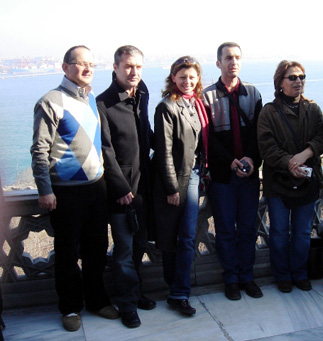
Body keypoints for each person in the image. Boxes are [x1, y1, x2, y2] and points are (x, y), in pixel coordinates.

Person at [30, 46, 119, 332]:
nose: (87, 69)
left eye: (91, 64)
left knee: (96, 248)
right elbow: (39, 150)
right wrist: (45, 190)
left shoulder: (90, 98)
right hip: (65, 192)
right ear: (65, 67)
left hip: (96, 188)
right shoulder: (50, 101)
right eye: (80, 64)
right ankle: (70, 307)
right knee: (67, 252)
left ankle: (96, 301)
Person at [96, 45, 156, 328]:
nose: (134, 72)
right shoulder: (103, 103)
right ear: (116, 68)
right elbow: (105, 150)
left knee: (140, 245)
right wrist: (120, 188)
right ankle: (127, 304)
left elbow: (147, 135)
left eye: (138, 67)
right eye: (128, 66)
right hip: (121, 191)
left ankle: (136, 292)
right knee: (123, 251)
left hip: (145, 187)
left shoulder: (141, 95)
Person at [257, 60, 323, 293]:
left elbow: (322, 137)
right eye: (293, 77)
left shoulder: (313, 109)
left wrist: (304, 155)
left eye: (302, 77)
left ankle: (300, 273)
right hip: (278, 181)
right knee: (278, 231)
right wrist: (289, 162)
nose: (299, 81)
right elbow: (266, 147)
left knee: (303, 231)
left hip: (306, 179)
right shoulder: (268, 112)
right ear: (280, 82)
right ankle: (282, 275)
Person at [203, 42, 263, 301]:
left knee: (249, 228)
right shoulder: (206, 97)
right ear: (218, 63)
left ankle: (247, 277)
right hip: (223, 177)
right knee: (226, 229)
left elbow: (260, 133)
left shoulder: (253, 93)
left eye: (237, 57)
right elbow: (207, 138)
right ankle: (231, 279)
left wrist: (250, 159)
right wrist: (230, 162)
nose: (233, 62)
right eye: (228, 58)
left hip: (249, 175)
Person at [153, 56, 209, 316]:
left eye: (192, 77)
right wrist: (172, 188)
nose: (188, 81)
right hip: (178, 180)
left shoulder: (195, 104)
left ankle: (179, 291)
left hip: (195, 176)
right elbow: (163, 152)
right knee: (175, 238)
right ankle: (177, 292)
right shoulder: (166, 107)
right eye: (182, 76)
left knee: (187, 237)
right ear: (173, 78)